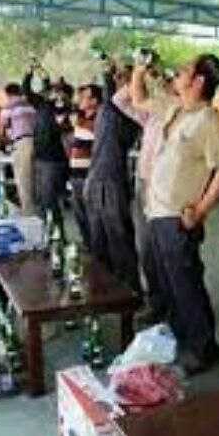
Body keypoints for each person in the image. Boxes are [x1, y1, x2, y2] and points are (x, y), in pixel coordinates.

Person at [130, 53, 219, 375]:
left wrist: (200, 210)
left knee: (186, 285)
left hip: (178, 217)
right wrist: (139, 70)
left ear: (199, 81)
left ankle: (203, 350)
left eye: (185, 70)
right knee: (168, 285)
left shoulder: (208, 120)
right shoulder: (175, 109)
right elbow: (138, 99)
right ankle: (182, 340)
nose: (177, 73)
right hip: (156, 211)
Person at [111, 61, 176, 324]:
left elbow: (140, 99)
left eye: (173, 79)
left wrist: (143, 74)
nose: (166, 82)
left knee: (169, 247)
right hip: (145, 183)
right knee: (146, 247)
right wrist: (140, 75)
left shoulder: (177, 110)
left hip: (167, 188)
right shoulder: (152, 115)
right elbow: (120, 100)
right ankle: (158, 302)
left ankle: (175, 302)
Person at [84, 62, 141, 295]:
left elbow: (113, 95)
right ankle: (104, 289)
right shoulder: (110, 108)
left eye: (123, 79)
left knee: (119, 239)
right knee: (98, 239)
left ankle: (130, 291)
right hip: (97, 176)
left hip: (112, 180)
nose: (118, 82)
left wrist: (113, 73)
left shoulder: (128, 111)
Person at [23, 64, 70, 234]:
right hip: (40, 157)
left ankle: (58, 232)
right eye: (51, 89)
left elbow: (63, 119)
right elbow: (27, 91)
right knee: (41, 199)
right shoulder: (41, 104)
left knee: (50, 198)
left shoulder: (62, 107)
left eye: (57, 89)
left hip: (53, 160)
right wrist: (30, 73)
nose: (52, 92)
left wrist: (59, 96)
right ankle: (44, 232)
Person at [69, 84, 100, 249]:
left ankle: (96, 247)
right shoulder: (81, 119)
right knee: (78, 211)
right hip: (76, 173)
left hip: (88, 174)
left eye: (85, 97)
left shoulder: (97, 119)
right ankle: (88, 244)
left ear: (94, 101)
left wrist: (79, 122)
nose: (80, 99)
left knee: (91, 213)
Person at [1, 82, 37, 215]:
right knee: (34, 178)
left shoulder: (9, 106)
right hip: (37, 142)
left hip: (22, 142)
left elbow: (3, 125)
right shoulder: (31, 105)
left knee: (23, 179)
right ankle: (39, 212)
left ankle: (28, 213)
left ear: (7, 94)